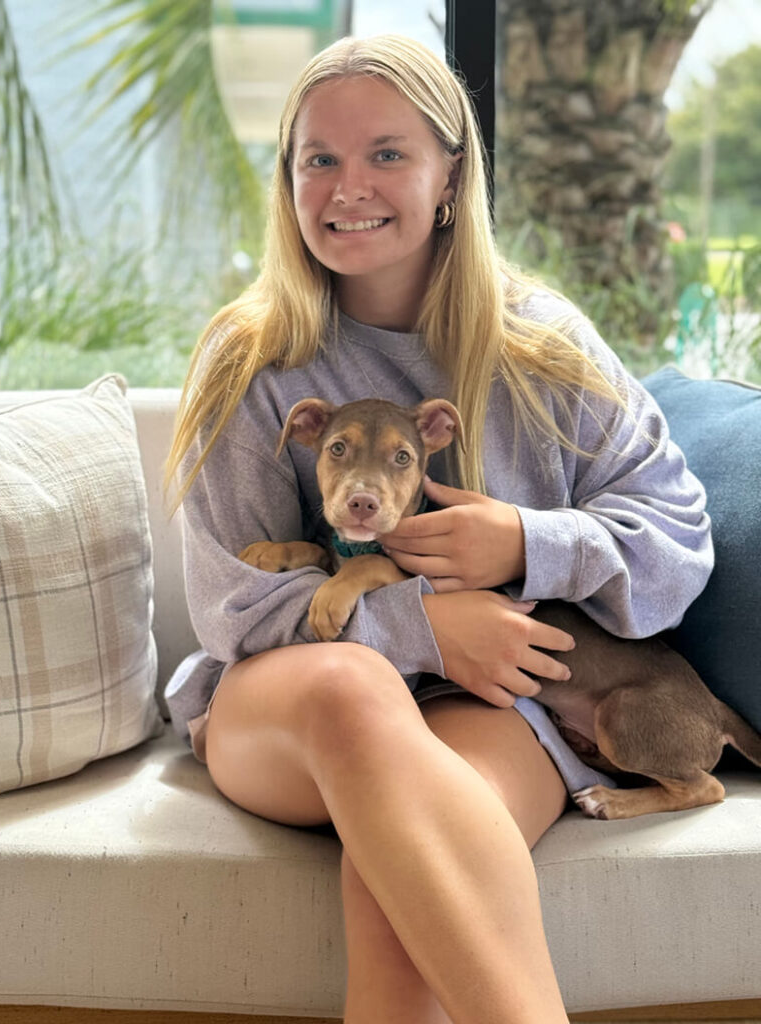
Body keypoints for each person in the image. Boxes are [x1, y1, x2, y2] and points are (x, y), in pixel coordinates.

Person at [164, 33, 713, 1024]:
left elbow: (677, 542)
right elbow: (229, 606)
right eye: (317, 159)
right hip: (287, 705)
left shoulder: (542, 347)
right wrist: (421, 627)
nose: (347, 185)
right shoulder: (255, 362)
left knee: (402, 883)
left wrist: (527, 544)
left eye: (386, 153)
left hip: (498, 709)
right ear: (287, 181)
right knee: (352, 685)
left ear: (451, 177)